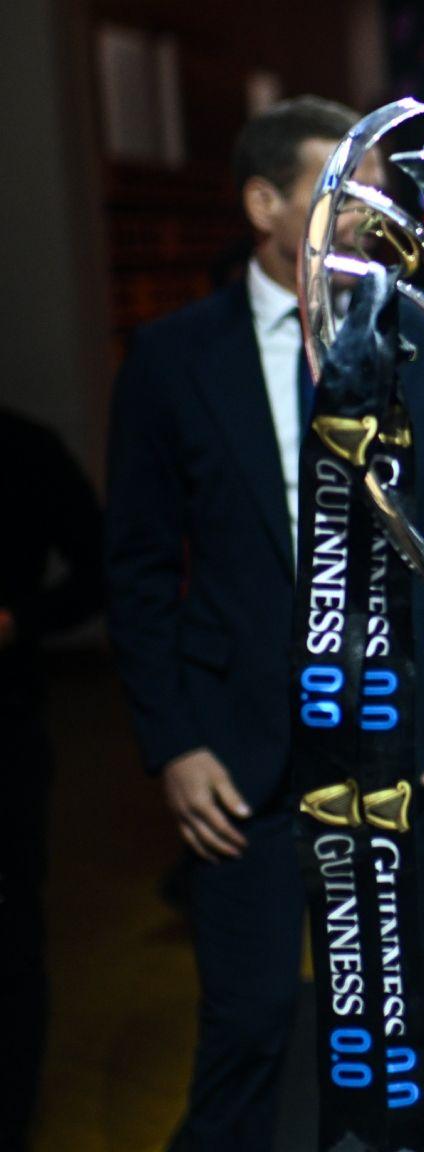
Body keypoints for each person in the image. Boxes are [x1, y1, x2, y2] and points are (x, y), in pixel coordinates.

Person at [104, 96, 424, 1150]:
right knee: (244, 1031)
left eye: (375, 185)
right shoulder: (171, 359)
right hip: (242, 763)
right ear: (265, 202)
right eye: (344, 184)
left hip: (401, 742)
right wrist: (175, 747)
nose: (370, 208)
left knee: (414, 1033)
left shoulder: (418, 340)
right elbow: (139, 574)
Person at [0, 408, 105, 1150]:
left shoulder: (20, 446)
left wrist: (16, 620)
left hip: (3, 736)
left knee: (8, 942)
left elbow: (101, 567)